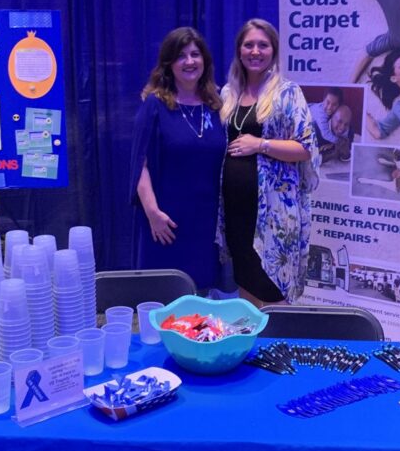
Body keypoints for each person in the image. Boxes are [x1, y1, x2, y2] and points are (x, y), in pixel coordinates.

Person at [217, 19, 320, 306]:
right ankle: (252, 346)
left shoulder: (288, 93)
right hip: (237, 211)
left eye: (263, 45)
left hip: (275, 212)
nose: (255, 51)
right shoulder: (228, 94)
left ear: (273, 51)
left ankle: (275, 346)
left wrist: (260, 145)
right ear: (239, 50)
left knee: (272, 287)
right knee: (246, 283)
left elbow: (306, 147)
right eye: (248, 44)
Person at [129, 27, 225, 291]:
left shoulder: (216, 105)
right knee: (166, 295)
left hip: (205, 222)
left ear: (205, 60)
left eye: (195, 54)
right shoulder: (154, 105)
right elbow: (140, 164)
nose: (190, 61)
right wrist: (152, 213)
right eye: (181, 56)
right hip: (166, 221)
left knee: (203, 294)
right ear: (169, 63)